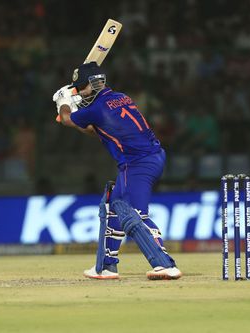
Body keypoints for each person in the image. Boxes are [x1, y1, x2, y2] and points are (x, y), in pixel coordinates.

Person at [53, 62, 181, 280]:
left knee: (132, 213)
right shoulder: (119, 97)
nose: (80, 94)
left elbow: (67, 120)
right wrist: (76, 109)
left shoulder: (95, 108)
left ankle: (165, 264)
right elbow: (97, 130)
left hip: (138, 163)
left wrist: (63, 103)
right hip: (149, 157)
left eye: (81, 88)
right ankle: (105, 266)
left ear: (92, 85)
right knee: (113, 204)